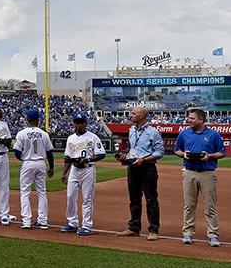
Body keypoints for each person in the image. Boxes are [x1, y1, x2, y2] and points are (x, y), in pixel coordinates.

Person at [174, 108, 225, 247]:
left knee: (210, 206)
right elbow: (177, 150)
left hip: (208, 173)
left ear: (200, 120)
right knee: (189, 205)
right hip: (189, 171)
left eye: (191, 118)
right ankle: (188, 233)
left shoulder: (213, 134)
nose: (188, 120)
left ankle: (213, 235)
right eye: (188, 118)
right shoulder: (184, 133)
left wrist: (209, 156)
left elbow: (221, 152)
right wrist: (183, 154)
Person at [116, 106, 163, 241]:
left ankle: (153, 230)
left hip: (147, 168)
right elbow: (134, 149)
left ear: (142, 116)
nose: (130, 115)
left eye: (133, 113)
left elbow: (159, 152)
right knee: (134, 199)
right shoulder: (131, 130)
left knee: (151, 199)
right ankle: (133, 228)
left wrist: (143, 160)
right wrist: (126, 156)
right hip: (133, 167)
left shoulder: (153, 132)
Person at [61, 114, 105, 236]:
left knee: (87, 198)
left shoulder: (93, 137)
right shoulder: (70, 138)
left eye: (81, 122)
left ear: (86, 123)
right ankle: (72, 222)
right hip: (74, 170)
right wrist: (64, 173)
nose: (79, 125)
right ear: (74, 123)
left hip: (88, 170)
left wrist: (87, 159)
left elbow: (101, 154)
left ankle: (86, 225)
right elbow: (67, 158)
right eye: (77, 122)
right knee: (70, 196)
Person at [13, 109, 54, 229]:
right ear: (38, 120)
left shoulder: (21, 133)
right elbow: (50, 152)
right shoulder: (44, 134)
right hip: (41, 163)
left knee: (25, 193)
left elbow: (17, 152)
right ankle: (43, 221)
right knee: (42, 192)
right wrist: (51, 167)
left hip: (28, 163)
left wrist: (24, 159)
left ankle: (26, 221)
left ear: (27, 119)